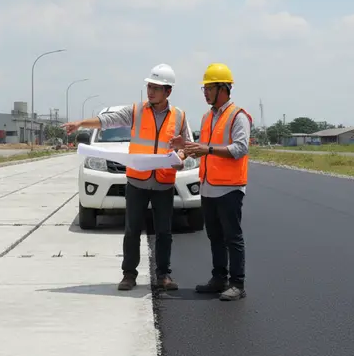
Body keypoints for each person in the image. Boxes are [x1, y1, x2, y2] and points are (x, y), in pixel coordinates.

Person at [63, 64, 192, 292]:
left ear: (168, 92)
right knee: (132, 230)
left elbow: (187, 146)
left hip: (163, 182)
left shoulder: (180, 116)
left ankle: (163, 275)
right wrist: (80, 123)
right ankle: (129, 275)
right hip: (137, 182)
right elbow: (107, 121)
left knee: (164, 231)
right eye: (149, 86)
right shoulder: (136, 111)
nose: (150, 91)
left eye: (156, 87)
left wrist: (181, 155)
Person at [170, 63, 252, 301]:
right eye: (204, 88)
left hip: (229, 187)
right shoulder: (207, 117)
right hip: (208, 186)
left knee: (232, 237)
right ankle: (219, 279)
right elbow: (201, 150)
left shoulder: (238, 116)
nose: (204, 92)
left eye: (209, 87)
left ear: (223, 88)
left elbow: (240, 148)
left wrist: (208, 149)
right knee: (214, 236)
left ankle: (237, 283)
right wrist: (183, 148)